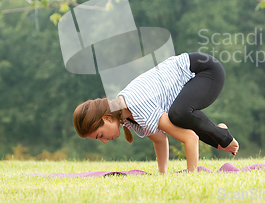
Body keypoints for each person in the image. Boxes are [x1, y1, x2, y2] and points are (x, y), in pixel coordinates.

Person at [73, 52, 239, 174]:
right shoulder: (127, 115)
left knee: (178, 115)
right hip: (196, 74)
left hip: (205, 70)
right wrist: (162, 174)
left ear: (106, 118)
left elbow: (190, 138)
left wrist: (191, 176)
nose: (103, 141)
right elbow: (159, 139)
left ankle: (222, 135)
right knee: (177, 120)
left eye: (99, 135)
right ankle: (220, 136)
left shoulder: (136, 106)